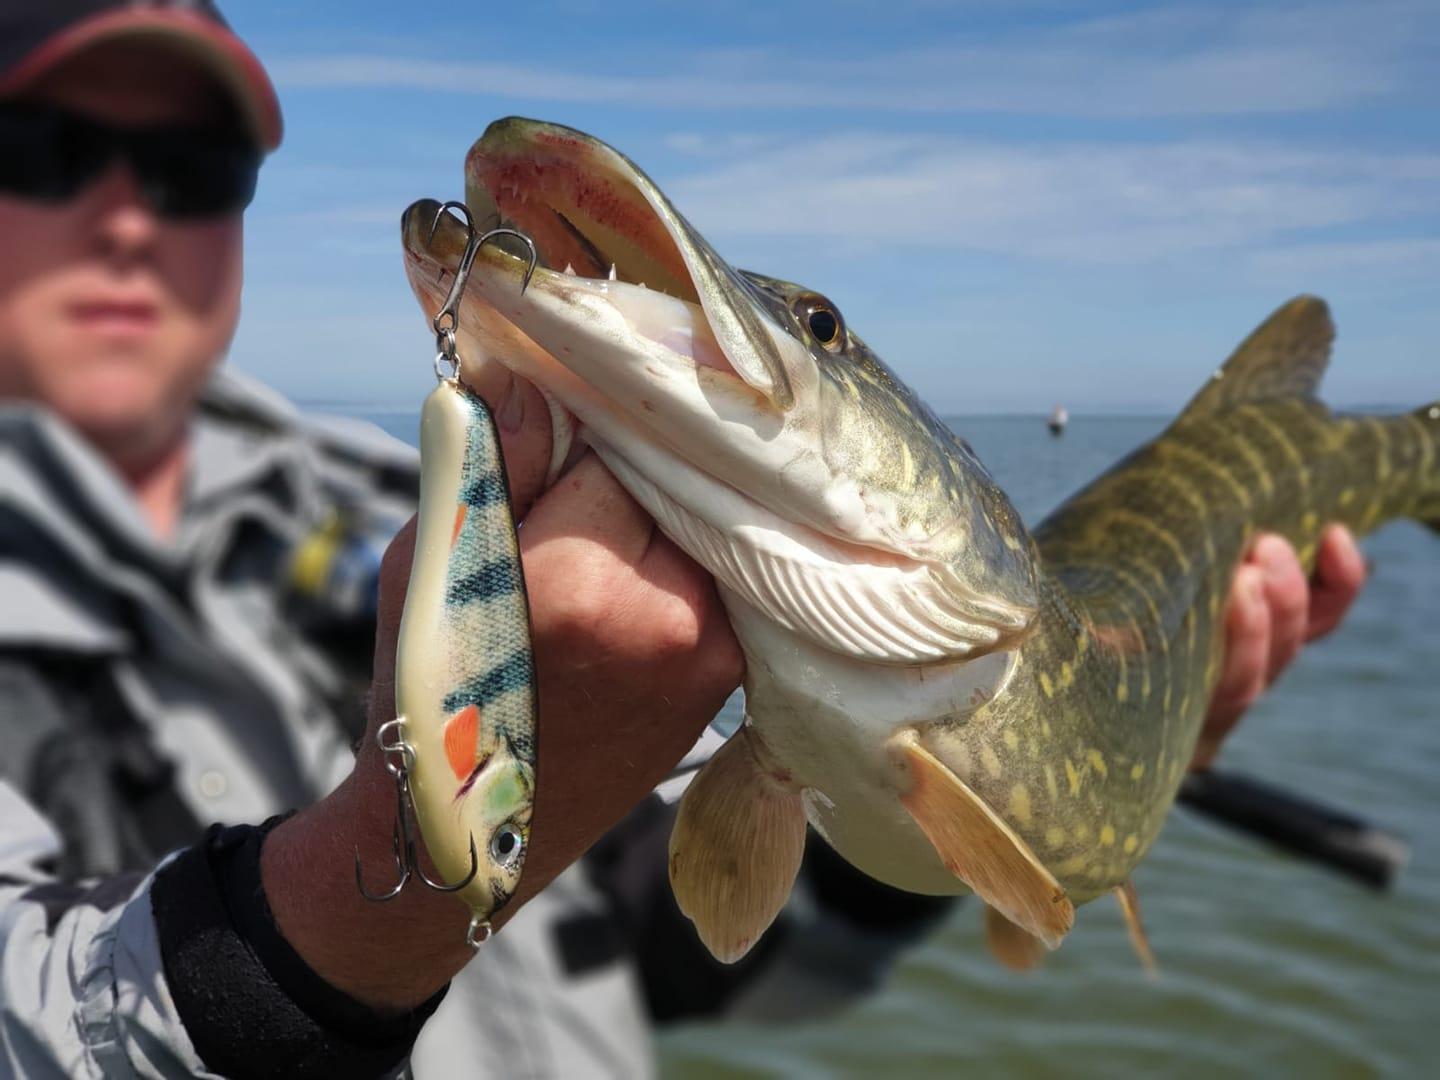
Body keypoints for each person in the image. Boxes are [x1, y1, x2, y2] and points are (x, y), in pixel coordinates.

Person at [0, 3, 1368, 1077]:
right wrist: (361, 908)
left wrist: (921, 832)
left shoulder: (386, 494)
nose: (128, 218)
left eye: (191, 168)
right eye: (47, 151)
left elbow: (694, 959)